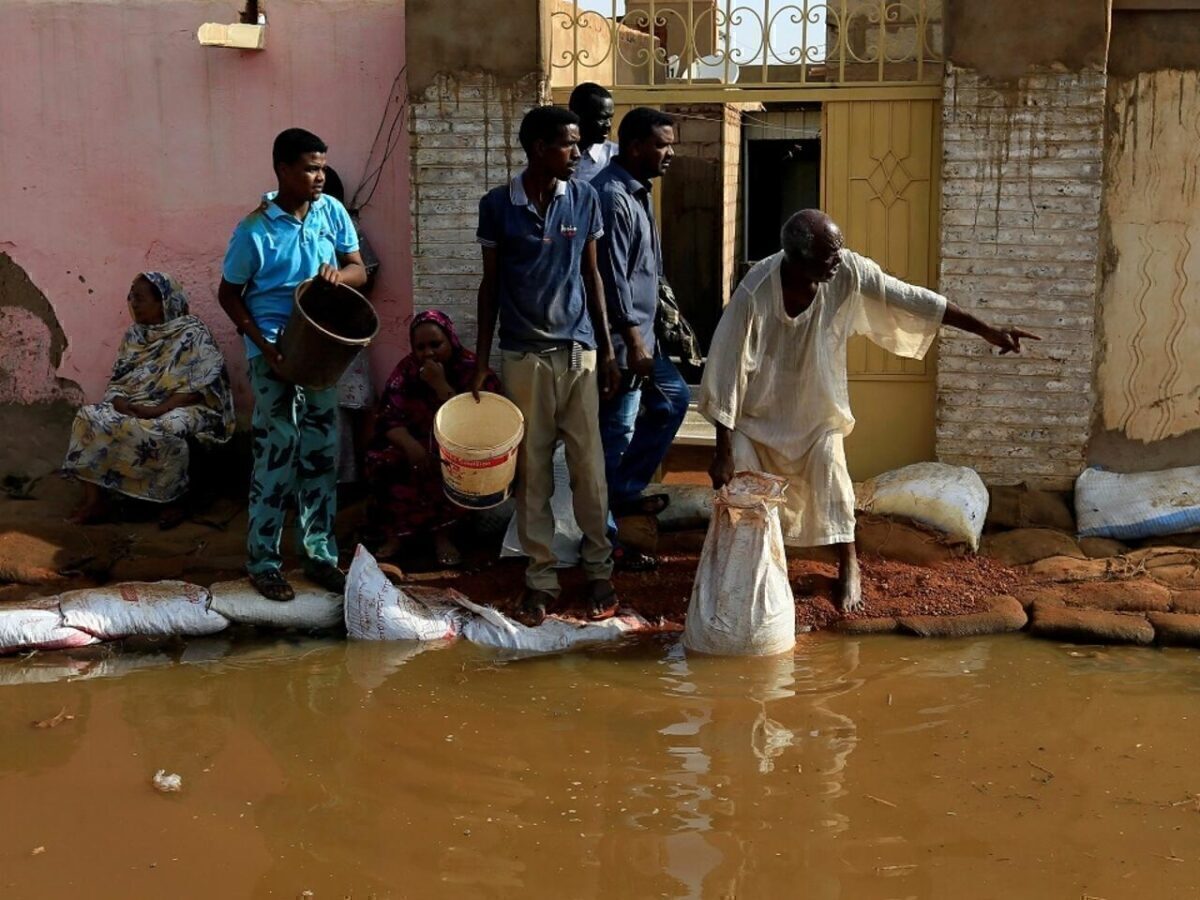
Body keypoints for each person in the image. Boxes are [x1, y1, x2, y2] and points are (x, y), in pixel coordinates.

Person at [699, 209, 1040, 612]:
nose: (838, 260)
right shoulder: (755, 292)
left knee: (834, 480)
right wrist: (722, 450)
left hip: (817, 414)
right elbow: (726, 368)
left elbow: (911, 298)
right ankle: (751, 572)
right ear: (798, 259)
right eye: (828, 256)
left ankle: (849, 564)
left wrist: (987, 330)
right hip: (756, 418)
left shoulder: (847, 271)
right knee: (747, 490)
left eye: (839, 252)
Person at [472, 104, 621, 626]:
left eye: (578, 143)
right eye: (568, 143)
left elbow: (593, 277)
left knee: (589, 469)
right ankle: (540, 577)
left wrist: (608, 351)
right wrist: (481, 360)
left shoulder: (584, 198)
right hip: (523, 356)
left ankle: (598, 569)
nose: (578, 152)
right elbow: (490, 286)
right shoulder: (498, 205)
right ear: (539, 148)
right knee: (532, 473)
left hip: (579, 354)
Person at [218, 127, 367, 602]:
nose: (319, 176)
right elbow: (229, 294)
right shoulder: (254, 230)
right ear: (283, 170)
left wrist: (338, 275)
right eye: (309, 168)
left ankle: (319, 557)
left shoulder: (331, 212)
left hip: (320, 349)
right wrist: (262, 345)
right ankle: (263, 562)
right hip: (274, 353)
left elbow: (358, 269)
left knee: (320, 453)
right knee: (276, 451)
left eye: (322, 167)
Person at [591, 107, 689, 571]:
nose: (670, 153)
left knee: (672, 401)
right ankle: (608, 542)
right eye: (662, 145)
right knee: (615, 435)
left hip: (643, 339)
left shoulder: (637, 192)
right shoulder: (612, 197)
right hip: (619, 344)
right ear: (634, 147)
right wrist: (631, 341)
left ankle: (624, 494)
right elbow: (610, 279)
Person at [63, 272, 235, 528]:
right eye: (131, 297)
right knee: (88, 417)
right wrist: (121, 403)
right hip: (138, 403)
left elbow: (200, 387)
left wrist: (158, 409)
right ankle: (95, 501)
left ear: (163, 302)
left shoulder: (193, 333)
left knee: (167, 427)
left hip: (186, 405)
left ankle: (173, 501)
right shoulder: (135, 335)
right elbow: (120, 378)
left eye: (140, 298)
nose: (133, 303)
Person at [365, 310, 501, 567]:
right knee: (381, 459)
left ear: (451, 340)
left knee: (450, 465)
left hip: (457, 444)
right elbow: (389, 418)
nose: (428, 353)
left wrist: (440, 386)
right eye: (421, 347)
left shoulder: (472, 371)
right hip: (415, 441)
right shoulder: (406, 370)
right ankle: (396, 535)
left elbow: (477, 424)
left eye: (436, 344)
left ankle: (443, 536)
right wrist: (411, 446)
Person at [322, 165, 381, 489]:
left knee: (339, 410)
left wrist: (336, 285)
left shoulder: (346, 227)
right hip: (308, 331)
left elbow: (367, 272)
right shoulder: (288, 231)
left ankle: (343, 481)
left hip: (342, 329)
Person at [569, 83, 618, 183]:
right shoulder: (554, 155)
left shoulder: (616, 157)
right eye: (601, 118)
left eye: (610, 118)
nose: (608, 125)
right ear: (576, 115)